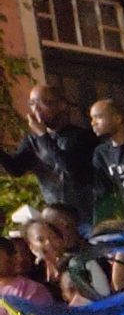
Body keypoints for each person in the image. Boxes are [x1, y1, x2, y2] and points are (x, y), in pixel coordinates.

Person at [3, 83, 98, 216]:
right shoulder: (32, 140)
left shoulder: (81, 136)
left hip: (85, 214)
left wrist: (43, 136)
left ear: (62, 105)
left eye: (43, 103)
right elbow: (16, 169)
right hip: (55, 216)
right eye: (32, 104)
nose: (36, 109)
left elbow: (70, 168)